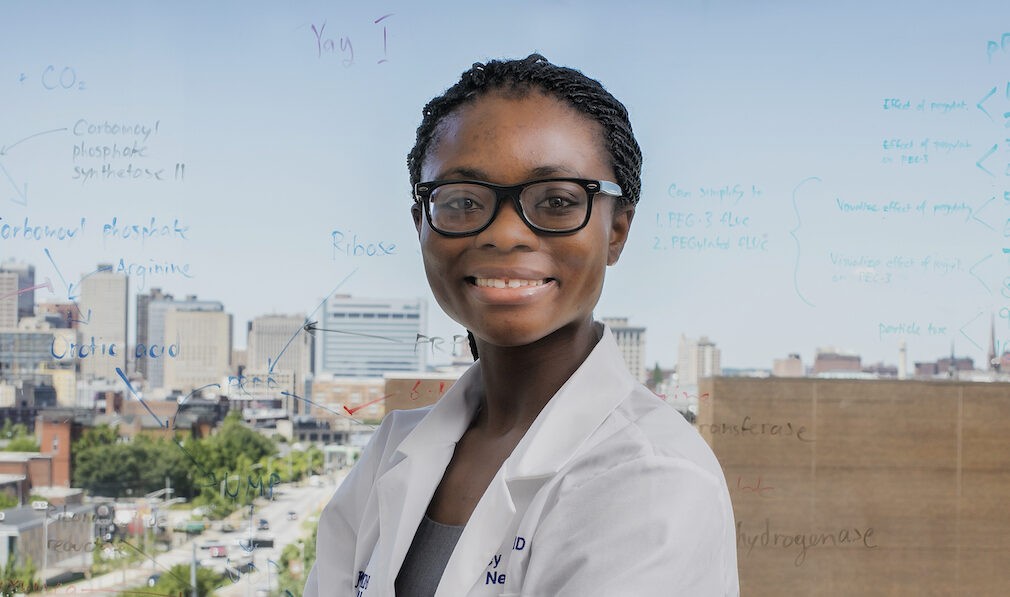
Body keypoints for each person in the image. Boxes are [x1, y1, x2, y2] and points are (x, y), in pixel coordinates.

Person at [304, 54, 739, 596]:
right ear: (422, 224)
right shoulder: (392, 449)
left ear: (617, 231)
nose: (505, 235)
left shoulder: (655, 478)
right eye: (463, 200)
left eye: (557, 200)